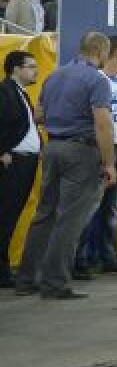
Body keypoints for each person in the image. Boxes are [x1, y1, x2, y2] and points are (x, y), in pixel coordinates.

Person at [14, 32, 116, 299]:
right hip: (81, 151)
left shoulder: (54, 76)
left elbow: (38, 115)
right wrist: (110, 163)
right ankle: (54, 283)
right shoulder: (97, 80)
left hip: (53, 146)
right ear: (101, 50)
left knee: (44, 214)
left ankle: (27, 278)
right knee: (69, 220)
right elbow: (103, 123)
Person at [76, 37, 117, 276]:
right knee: (90, 208)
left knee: (113, 210)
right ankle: (80, 258)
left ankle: (108, 258)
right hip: (104, 151)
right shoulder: (97, 79)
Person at [0, 50, 41, 288]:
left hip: (25, 162)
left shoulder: (21, 93)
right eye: (30, 66)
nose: (35, 70)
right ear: (15, 68)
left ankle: (3, 271)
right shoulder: (5, 91)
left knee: (10, 217)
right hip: (13, 162)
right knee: (5, 216)